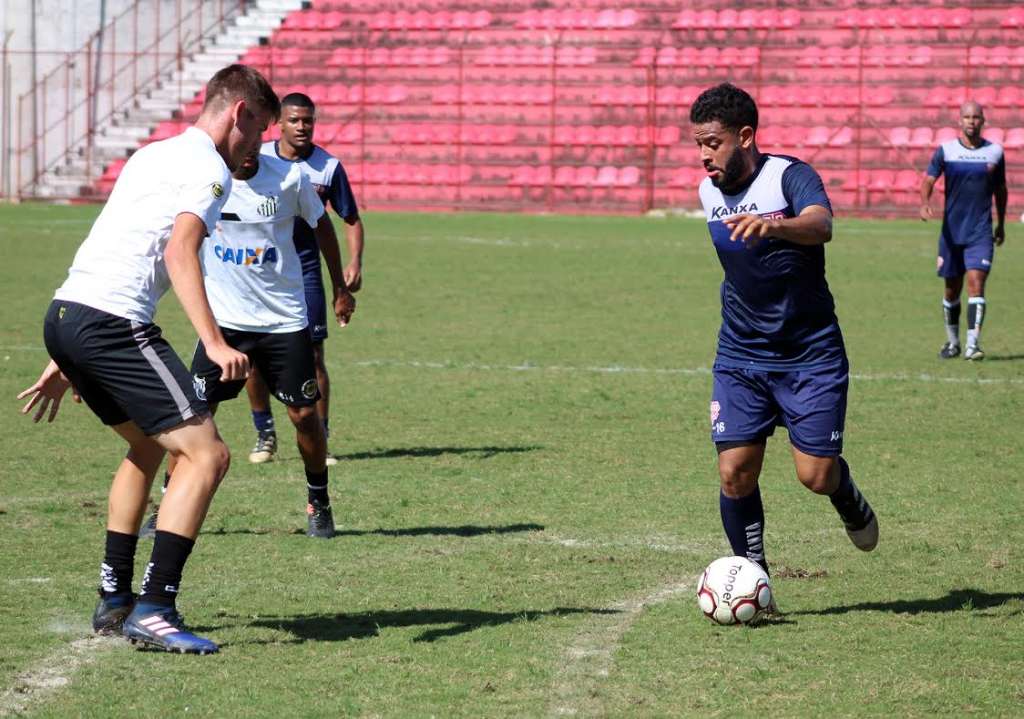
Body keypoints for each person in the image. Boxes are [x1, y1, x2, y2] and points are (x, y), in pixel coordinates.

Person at [16, 64, 279, 654]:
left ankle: (115, 598)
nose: (255, 148)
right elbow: (180, 250)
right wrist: (213, 342)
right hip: (111, 323)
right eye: (258, 132)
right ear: (239, 114)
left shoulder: (151, 154)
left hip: (69, 313)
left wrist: (68, 354)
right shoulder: (210, 171)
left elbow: (114, 238)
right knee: (208, 455)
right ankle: (156, 607)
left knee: (146, 445)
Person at [689, 83, 878, 593]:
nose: (704, 154)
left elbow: (821, 224)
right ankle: (754, 579)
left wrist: (775, 227)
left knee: (815, 475)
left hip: (809, 353)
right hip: (741, 352)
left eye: (713, 142)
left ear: (745, 136)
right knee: (734, 472)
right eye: (698, 143)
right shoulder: (708, 192)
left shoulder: (789, 176)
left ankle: (847, 497)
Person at [153, 146, 355, 538]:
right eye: (240, 149)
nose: (247, 156)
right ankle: (165, 505)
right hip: (223, 325)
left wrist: (339, 286)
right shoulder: (203, 179)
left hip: (283, 321)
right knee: (191, 418)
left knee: (303, 416)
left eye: (253, 148)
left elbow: (322, 225)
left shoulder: (289, 178)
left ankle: (319, 501)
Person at [245, 92, 364, 465]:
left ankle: (321, 436)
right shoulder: (257, 158)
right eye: (294, 120)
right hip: (259, 269)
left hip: (306, 270)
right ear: (278, 122)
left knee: (313, 355)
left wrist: (353, 264)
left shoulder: (327, 167)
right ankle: (265, 433)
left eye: (307, 120)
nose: (301, 126)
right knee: (251, 358)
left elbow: (349, 219)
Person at [920, 101, 1007, 361]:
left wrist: (1001, 223)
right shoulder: (946, 151)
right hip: (951, 233)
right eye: (967, 117)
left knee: (976, 284)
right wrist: (925, 203)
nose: (971, 121)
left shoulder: (995, 153)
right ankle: (953, 342)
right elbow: (928, 180)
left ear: (983, 121)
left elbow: (1001, 190)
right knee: (951, 290)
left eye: (976, 117)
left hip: (980, 232)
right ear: (960, 120)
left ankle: (973, 345)